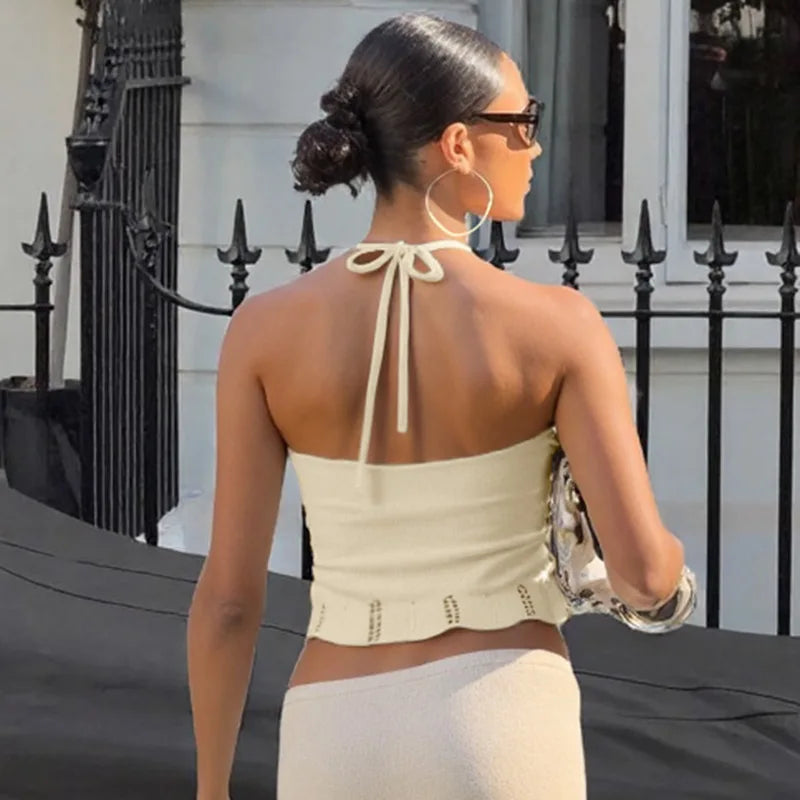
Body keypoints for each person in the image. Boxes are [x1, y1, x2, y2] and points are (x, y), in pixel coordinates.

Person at [187, 13, 687, 800]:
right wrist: (668, 579)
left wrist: (211, 789)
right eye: (522, 123)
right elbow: (645, 575)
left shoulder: (262, 331)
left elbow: (227, 602)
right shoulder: (556, 325)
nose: (535, 144)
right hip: (500, 714)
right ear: (458, 145)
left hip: (331, 727)